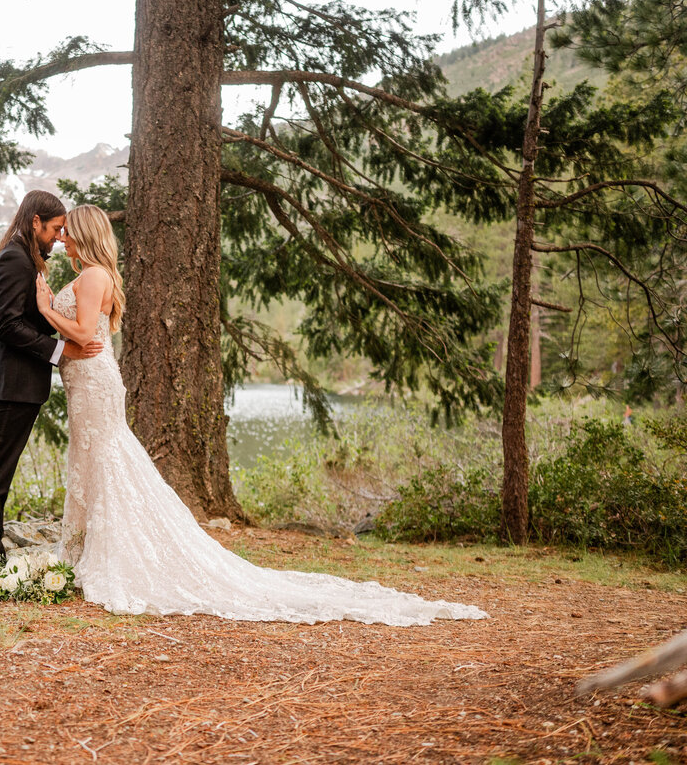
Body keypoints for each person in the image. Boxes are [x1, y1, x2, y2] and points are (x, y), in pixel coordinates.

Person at [33, 204, 488, 626]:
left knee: (106, 462)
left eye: (69, 233)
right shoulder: (93, 274)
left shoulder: (93, 276)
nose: (64, 240)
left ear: (87, 235)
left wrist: (45, 308)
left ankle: (108, 556)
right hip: (85, 382)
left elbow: (84, 332)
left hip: (94, 382)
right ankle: (81, 551)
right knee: (92, 463)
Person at [0, 190, 102, 572]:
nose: (59, 238)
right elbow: (10, 326)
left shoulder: (23, 257)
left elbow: (24, 319)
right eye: (56, 229)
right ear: (35, 222)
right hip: (14, 383)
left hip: (19, 383)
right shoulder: (14, 259)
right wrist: (61, 352)